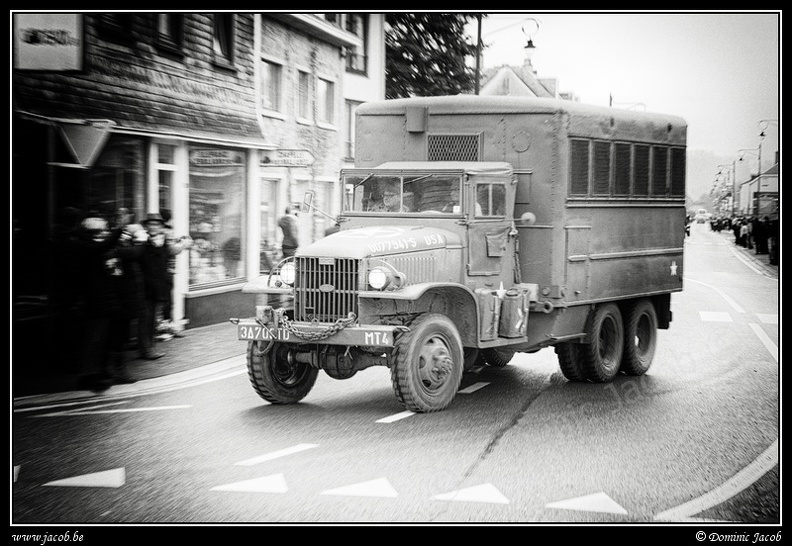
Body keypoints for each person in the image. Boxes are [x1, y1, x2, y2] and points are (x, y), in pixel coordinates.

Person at [73, 215, 124, 391]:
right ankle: (87, 376)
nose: (104, 234)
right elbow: (104, 245)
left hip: (105, 301)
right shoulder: (85, 247)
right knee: (92, 341)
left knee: (100, 341)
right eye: (101, 231)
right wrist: (120, 227)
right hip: (94, 303)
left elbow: (113, 270)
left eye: (105, 230)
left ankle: (97, 373)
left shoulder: (98, 249)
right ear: (91, 232)